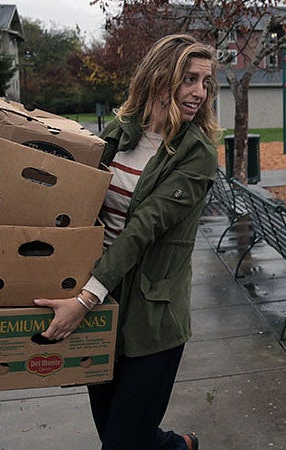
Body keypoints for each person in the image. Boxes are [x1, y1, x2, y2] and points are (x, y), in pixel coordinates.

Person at [34, 34, 221, 450]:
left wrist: (83, 302)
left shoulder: (197, 154)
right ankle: (178, 446)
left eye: (205, 82)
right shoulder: (122, 130)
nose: (199, 92)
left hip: (152, 319)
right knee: (122, 436)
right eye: (189, 79)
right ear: (160, 77)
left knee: (120, 444)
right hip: (103, 300)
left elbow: (142, 229)